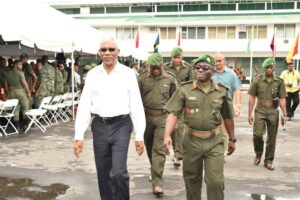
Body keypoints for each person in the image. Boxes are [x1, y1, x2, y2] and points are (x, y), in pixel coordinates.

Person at [73, 38, 146, 200]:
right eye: (104, 49)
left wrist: (139, 135)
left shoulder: (128, 74)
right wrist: (79, 136)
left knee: (119, 172)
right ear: (99, 53)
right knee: (103, 172)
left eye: (111, 49)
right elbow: (84, 105)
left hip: (121, 125)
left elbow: (136, 105)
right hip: (99, 126)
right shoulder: (92, 75)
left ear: (118, 52)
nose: (107, 53)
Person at [163, 54, 236, 200]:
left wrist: (232, 139)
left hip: (214, 141)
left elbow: (228, 117)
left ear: (213, 70)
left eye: (205, 68)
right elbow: (173, 113)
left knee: (215, 181)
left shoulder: (222, 91)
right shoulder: (185, 89)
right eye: (197, 68)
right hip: (191, 142)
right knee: (192, 181)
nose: (200, 70)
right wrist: (166, 136)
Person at [138, 53, 177, 195]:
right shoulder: (142, 79)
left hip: (163, 118)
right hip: (146, 118)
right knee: (149, 148)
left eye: (158, 67)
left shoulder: (170, 79)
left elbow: (176, 100)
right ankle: (154, 170)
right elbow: (136, 100)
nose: (155, 70)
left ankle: (157, 182)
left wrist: (176, 121)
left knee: (158, 150)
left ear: (162, 66)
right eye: (152, 67)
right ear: (148, 66)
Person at [248, 58, 287, 171]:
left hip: (273, 112)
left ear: (274, 67)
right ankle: (258, 154)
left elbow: (282, 99)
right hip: (260, 110)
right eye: (267, 68)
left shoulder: (279, 81)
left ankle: (269, 160)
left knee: (272, 138)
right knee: (257, 135)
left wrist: (284, 114)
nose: (269, 70)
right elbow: (252, 97)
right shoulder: (257, 80)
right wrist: (250, 114)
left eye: (271, 67)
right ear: (264, 68)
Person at [163, 46, 193, 167]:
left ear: (182, 57)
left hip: (182, 101)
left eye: (179, 57)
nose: (177, 60)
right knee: (171, 129)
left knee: (179, 128)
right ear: (171, 57)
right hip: (169, 101)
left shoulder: (188, 68)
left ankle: (178, 155)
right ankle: (172, 151)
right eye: (175, 57)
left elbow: (191, 84)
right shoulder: (165, 67)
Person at [213, 52, 241, 155]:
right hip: (212, 107)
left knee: (224, 132)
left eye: (219, 61)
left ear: (224, 61)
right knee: (213, 131)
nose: (217, 63)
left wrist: (238, 105)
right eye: (215, 61)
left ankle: (221, 154)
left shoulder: (231, 74)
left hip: (226, 107)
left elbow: (237, 89)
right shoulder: (210, 73)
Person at [4, 60, 31, 132]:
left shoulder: (8, 73)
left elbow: (6, 84)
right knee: (25, 107)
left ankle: (17, 127)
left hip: (12, 92)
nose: (21, 66)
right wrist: (28, 92)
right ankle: (25, 125)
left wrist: (8, 92)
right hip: (20, 91)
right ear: (16, 65)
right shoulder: (20, 73)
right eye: (20, 65)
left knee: (16, 109)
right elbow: (24, 83)